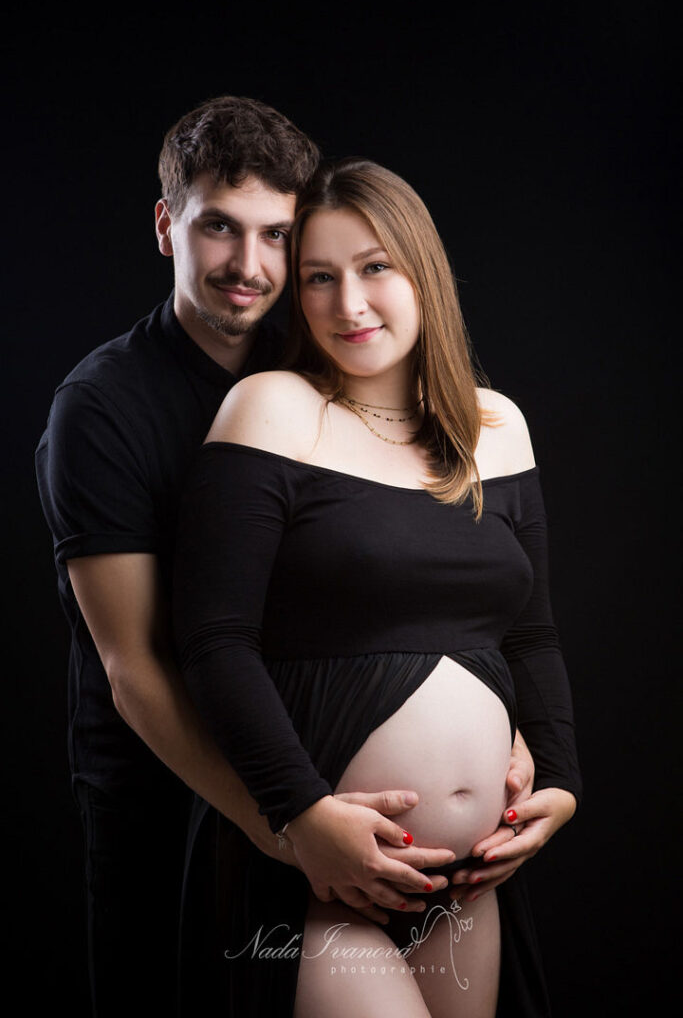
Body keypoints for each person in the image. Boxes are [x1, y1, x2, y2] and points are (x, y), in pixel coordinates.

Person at [35, 98, 531, 1015]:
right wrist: (287, 824)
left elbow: (405, 577)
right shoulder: (102, 410)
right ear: (165, 225)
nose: (248, 266)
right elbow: (136, 666)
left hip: (346, 806)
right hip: (172, 792)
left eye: (277, 235)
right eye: (218, 227)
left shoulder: (324, 360)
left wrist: (502, 721)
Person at [173, 158, 581, 1017]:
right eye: (318, 278)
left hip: (469, 883)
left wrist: (561, 779)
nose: (347, 305)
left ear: (421, 270)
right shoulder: (273, 406)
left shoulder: (494, 426)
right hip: (322, 876)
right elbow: (212, 641)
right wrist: (300, 814)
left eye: (373, 269)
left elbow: (531, 635)